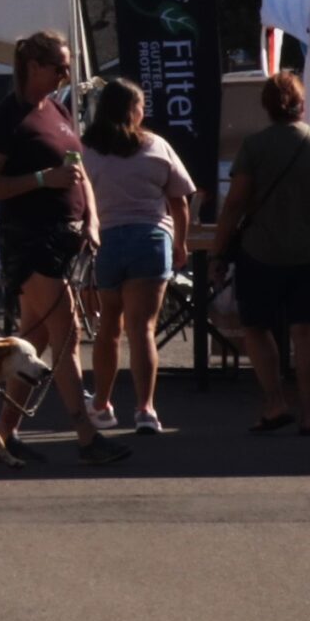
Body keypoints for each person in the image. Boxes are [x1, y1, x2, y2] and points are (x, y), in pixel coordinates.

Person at [0, 31, 130, 466]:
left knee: (36, 337)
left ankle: (2, 434)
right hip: (30, 238)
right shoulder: (8, 117)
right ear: (34, 66)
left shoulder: (57, 109)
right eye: (60, 66)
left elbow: (76, 170)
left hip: (67, 234)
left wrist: (92, 219)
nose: (66, 74)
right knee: (67, 333)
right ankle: (85, 436)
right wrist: (41, 180)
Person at [216, 72, 310, 436]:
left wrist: (218, 251)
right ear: (301, 104)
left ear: (266, 106)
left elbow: (234, 205)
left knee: (257, 328)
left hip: (261, 251)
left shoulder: (254, 146)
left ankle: (275, 401)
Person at [79, 80, 195, 436]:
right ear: (134, 110)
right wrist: (181, 243)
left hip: (107, 242)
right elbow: (180, 201)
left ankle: (101, 402)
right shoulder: (156, 146)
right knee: (142, 329)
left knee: (108, 328)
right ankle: (146, 409)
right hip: (150, 240)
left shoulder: (87, 150)